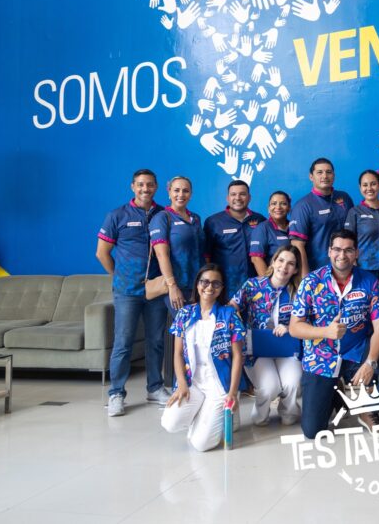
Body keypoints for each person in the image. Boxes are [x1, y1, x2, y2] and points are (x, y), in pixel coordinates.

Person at [289, 229, 379, 439]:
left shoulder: (369, 281)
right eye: (337, 249)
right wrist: (325, 331)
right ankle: (338, 395)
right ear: (329, 251)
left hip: (357, 350)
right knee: (313, 431)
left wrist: (370, 362)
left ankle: (366, 409)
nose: (342, 255)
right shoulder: (311, 282)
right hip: (321, 357)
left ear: (356, 253)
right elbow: (294, 327)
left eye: (348, 250)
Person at [96, 169, 167, 417]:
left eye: (150, 185)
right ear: (132, 187)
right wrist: (119, 276)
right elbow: (102, 253)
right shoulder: (117, 215)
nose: (145, 189)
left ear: (156, 187)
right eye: (140, 184)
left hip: (155, 289)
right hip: (127, 291)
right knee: (123, 343)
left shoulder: (163, 214)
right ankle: (116, 393)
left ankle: (155, 388)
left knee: (156, 340)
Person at [161, 264, 245, 451]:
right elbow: (177, 353)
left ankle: (221, 414)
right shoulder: (184, 314)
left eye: (216, 283)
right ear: (197, 285)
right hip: (194, 382)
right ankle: (201, 414)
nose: (209, 287)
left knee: (201, 444)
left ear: (222, 288)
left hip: (219, 384)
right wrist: (181, 384)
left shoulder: (229, 315)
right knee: (169, 423)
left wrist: (232, 392)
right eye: (204, 282)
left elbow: (238, 357)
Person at [232, 245, 303, 426]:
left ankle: (289, 412)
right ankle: (260, 415)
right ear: (273, 261)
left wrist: (290, 327)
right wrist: (238, 327)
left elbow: (308, 320)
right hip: (257, 349)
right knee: (270, 387)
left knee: (292, 383)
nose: (284, 267)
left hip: (286, 348)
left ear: (295, 269)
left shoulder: (299, 291)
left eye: (291, 264)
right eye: (281, 260)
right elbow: (231, 307)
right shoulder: (252, 285)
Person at [149, 175, 206, 388]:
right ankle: (180, 386)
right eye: (176, 190)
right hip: (176, 287)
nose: (181, 194)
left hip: (197, 287)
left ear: (191, 193)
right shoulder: (162, 218)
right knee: (187, 334)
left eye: (185, 191)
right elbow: (161, 254)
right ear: (169, 191)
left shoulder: (195, 218)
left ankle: (197, 384)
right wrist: (172, 287)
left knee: (198, 334)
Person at [344, 170, 379, 338]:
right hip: (363, 272)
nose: (369, 188)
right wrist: (352, 268)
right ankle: (361, 351)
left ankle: (378, 352)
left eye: (373, 184)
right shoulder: (355, 212)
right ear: (360, 187)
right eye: (365, 185)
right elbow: (348, 242)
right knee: (362, 315)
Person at [289, 158, 354, 275]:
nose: (325, 176)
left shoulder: (344, 198)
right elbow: (298, 245)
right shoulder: (303, 206)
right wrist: (305, 278)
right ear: (311, 177)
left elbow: (353, 232)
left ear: (334, 176)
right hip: (319, 271)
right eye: (319, 172)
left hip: (346, 267)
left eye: (328, 172)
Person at [204, 180, 265, 297]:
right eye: (233, 194)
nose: (238, 198)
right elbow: (206, 256)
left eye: (242, 194)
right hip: (224, 288)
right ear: (228, 198)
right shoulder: (213, 222)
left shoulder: (260, 220)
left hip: (255, 286)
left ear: (249, 197)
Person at [249, 191, 292, 275]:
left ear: (289, 208)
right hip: (274, 279)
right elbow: (256, 259)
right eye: (274, 203)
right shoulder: (262, 228)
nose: (278, 207)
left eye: (283, 204)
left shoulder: (294, 226)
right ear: (268, 208)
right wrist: (268, 282)